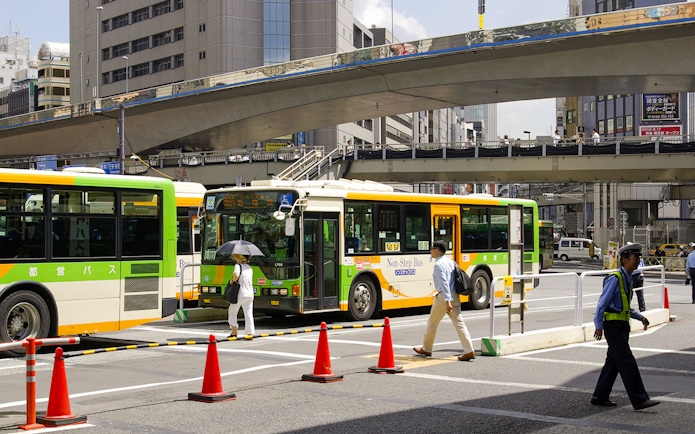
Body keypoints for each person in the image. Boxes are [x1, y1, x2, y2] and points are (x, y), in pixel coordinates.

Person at [591, 242, 659, 410]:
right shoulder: (615, 278)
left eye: (638, 257)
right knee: (627, 362)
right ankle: (640, 399)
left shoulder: (628, 279)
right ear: (625, 260)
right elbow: (602, 304)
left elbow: (624, 306)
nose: (638, 261)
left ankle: (600, 395)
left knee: (613, 362)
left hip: (622, 326)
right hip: (613, 327)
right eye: (635, 258)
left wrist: (639, 317)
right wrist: (598, 325)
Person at [413, 240, 476, 362]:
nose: (430, 250)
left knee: (432, 322)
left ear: (437, 251)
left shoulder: (438, 265)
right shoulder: (451, 262)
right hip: (455, 296)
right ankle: (469, 350)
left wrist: (447, 300)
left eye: (432, 248)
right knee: (460, 324)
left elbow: (444, 283)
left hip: (444, 297)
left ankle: (426, 348)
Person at [228, 254, 255, 338]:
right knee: (248, 313)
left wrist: (232, 281)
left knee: (232, 311)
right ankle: (249, 333)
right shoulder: (249, 267)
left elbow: (236, 275)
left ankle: (234, 331)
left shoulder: (238, 266)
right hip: (250, 293)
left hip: (240, 293)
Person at [626, 242, 646, 312]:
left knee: (629, 294)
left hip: (633, 275)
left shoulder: (630, 257)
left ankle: (627, 308)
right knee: (640, 294)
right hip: (640, 275)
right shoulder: (639, 257)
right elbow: (643, 266)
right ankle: (642, 309)